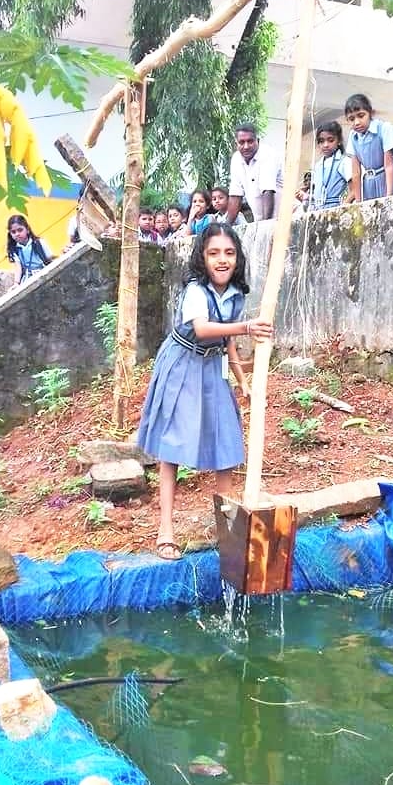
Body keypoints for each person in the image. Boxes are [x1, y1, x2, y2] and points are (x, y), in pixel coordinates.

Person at [137, 222, 273, 559]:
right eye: (214, 253)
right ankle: (166, 530)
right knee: (173, 445)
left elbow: (227, 342)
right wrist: (247, 326)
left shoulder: (236, 294)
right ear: (203, 257)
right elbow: (202, 329)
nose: (222, 260)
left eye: (229, 253)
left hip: (214, 365)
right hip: (182, 363)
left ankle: (226, 528)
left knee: (227, 441)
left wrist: (241, 380)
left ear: (237, 258)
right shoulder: (196, 290)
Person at [344, 93, 393, 201]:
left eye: (361, 116)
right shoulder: (353, 137)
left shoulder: (384, 128)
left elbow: (389, 165)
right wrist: (359, 202)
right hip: (370, 185)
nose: (356, 122)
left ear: (371, 113)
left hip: (390, 180)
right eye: (351, 119)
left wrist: (388, 197)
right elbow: (356, 173)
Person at [227, 123, 283, 222]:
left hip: (285, 217)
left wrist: (265, 226)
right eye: (241, 142)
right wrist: (226, 226)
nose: (246, 146)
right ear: (236, 144)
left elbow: (267, 191)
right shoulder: (236, 159)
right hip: (261, 220)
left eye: (250, 141)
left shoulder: (267, 154)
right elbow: (235, 196)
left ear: (258, 141)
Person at [312, 122, 353, 209]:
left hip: (336, 209)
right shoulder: (318, 165)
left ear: (339, 141)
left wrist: (343, 206)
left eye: (330, 140)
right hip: (318, 210)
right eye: (321, 141)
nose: (325, 145)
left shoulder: (344, 161)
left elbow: (354, 190)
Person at [7, 215, 53, 286]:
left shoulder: (39, 243)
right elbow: (18, 268)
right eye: (13, 232)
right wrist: (16, 283)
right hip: (28, 278)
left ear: (27, 230)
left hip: (43, 271)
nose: (17, 234)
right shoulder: (15, 250)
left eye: (20, 230)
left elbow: (50, 259)